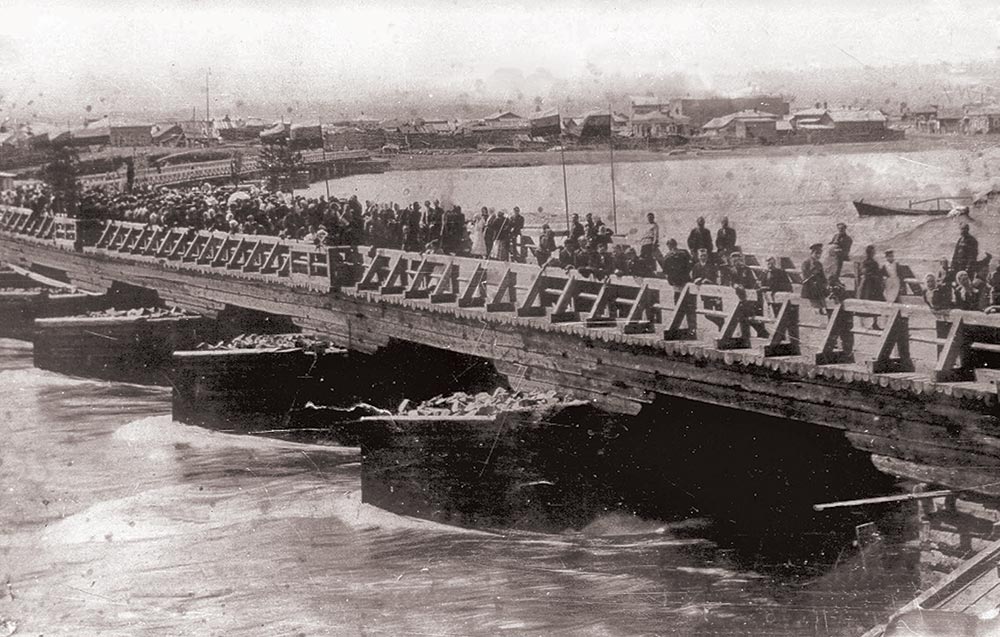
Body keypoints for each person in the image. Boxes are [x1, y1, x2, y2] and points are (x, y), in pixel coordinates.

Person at [801, 242, 829, 314]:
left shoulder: (819, 264)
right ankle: (817, 310)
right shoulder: (806, 262)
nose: (818, 255)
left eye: (820, 254)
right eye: (816, 253)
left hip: (818, 287)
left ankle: (822, 309)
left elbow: (822, 276)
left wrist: (825, 283)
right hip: (810, 286)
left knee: (823, 300)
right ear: (812, 253)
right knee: (815, 302)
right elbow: (805, 275)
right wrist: (813, 278)